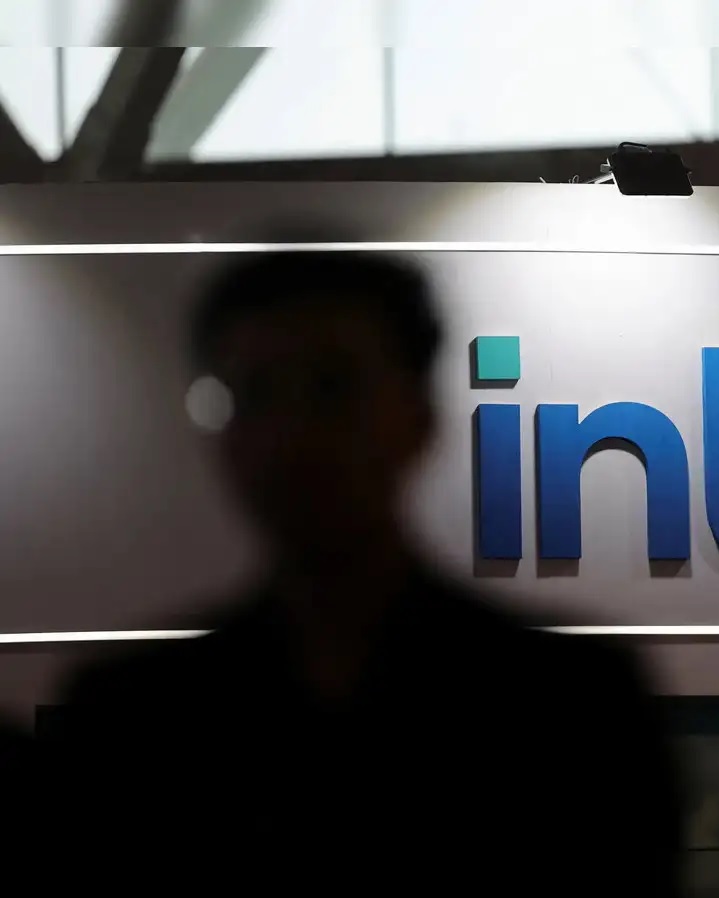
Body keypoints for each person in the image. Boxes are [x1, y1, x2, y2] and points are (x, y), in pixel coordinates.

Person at [44, 249, 684, 892]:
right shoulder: (125, 724)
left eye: (333, 388)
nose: (292, 436)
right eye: (256, 394)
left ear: (420, 418)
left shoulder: (576, 713)